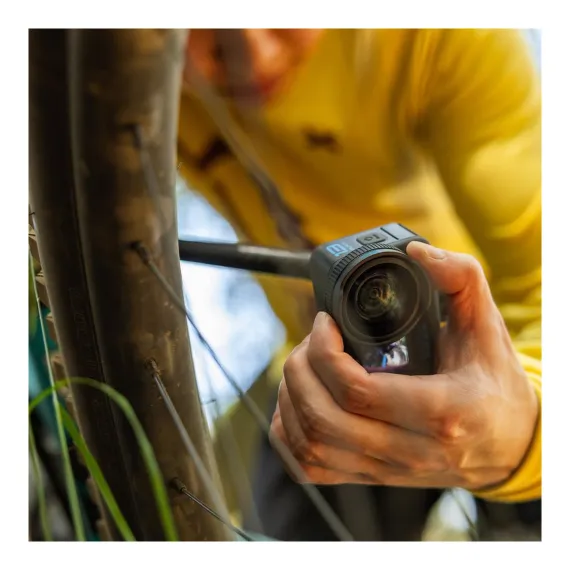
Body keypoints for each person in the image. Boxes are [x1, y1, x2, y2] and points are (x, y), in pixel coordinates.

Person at [177, 29, 541, 540]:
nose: (254, 53)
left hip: (505, 359)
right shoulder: (129, 85)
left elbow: (544, 264)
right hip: (318, 377)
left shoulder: (440, 32)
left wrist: (530, 431)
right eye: (198, 24)